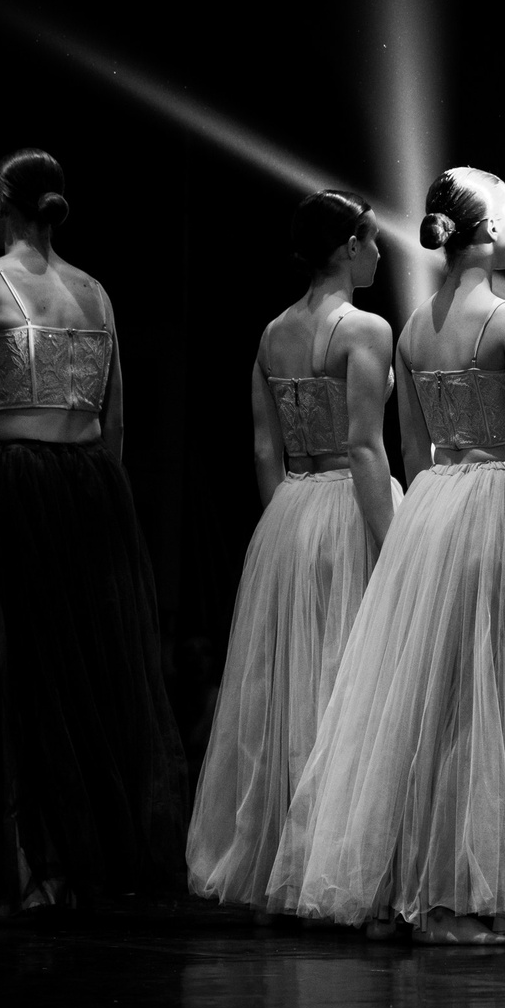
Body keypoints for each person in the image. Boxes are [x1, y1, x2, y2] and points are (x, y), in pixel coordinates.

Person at [269, 167, 505, 946]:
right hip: (500, 507)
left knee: (447, 702)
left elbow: (412, 450)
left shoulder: (411, 328)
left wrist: (415, 537)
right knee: (496, 695)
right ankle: (455, 897)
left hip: (437, 505)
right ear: (488, 229)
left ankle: (453, 888)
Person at [0, 147, 186, 916]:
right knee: (79, 670)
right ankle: (77, 860)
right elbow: (116, 420)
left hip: (21, 484)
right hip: (91, 487)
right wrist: (110, 511)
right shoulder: (96, 291)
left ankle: (28, 866)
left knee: (16, 670)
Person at [185, 190, 401, 909]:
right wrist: (394, 548)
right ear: (348, 246)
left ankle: (288, 860)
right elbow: (366, 447)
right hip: (350, 504)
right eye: (371, 239)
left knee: (292, 685)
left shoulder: (273, 332)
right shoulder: (364, 328)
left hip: (289, 508)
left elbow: (261, 449)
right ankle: (334, 865)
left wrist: (284, 526)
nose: (380, 252)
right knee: (348, 679)